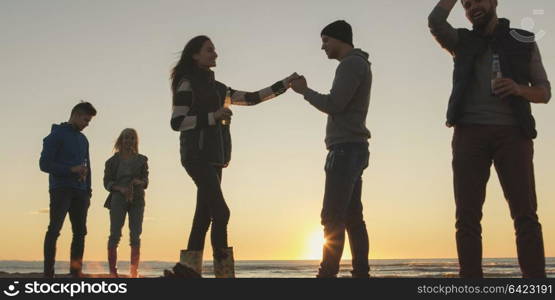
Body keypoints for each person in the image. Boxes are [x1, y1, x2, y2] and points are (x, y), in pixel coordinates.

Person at [429, 0, 551, 278]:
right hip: (468, 133)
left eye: (478, 0)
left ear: (495, 1)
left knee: (525, 216)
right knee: (467, 218)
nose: (473, 7)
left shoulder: (523, 40)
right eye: (467, 4)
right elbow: (436, 22)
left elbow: (544, 92)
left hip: (513, 135)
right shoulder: (460, 41)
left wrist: (519, 89)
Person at [165, 35, 298, 278]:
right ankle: (224, 275)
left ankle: (186, 274)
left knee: (203, 217)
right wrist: (212, 117)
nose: (215, 54)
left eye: (214, 50)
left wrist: (284, 85)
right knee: (221, 212)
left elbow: (252, 98)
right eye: (209, 50)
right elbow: (177, 122)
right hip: (196, 156)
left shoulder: (220, 89)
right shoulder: (187, 83)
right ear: (195, 55)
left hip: (216, 158)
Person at [290, 20, 373, 278]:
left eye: (326, 40)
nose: (323, 47)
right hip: (353, 148)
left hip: (346, 149)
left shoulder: (351, 64)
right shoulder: (357, 64)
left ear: (340, 39)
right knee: (352, 217)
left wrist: (304, 91)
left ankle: (327, 274)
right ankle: (360, 274)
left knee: (332, 216)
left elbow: (334, 104)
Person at [39, 101, 97, 278]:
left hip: (81, 192)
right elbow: (44, 164)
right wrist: (70, 170)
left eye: (89, 121)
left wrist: (88, 191)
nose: (87, 124)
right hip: (61, 189)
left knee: (80, 233)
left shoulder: (83, 139)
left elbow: (88, 166)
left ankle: (75, 272)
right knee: (54, 229)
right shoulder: (56, 135)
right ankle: (48, 274)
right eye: (86, 120)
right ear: (76, 115)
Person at [103, 128, 149, 278]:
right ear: (121, 140)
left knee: (135, 235)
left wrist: (139, 182)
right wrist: (120, 189)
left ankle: (134, 271)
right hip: (118, 198)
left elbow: (146, 181)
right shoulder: (112, 162)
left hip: (137, 199)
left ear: (135, 141)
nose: (129, 140)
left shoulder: (142, 160)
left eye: (132, 138)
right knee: (115, 234)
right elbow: (106, 182)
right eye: (126, 138)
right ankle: (112, 271)